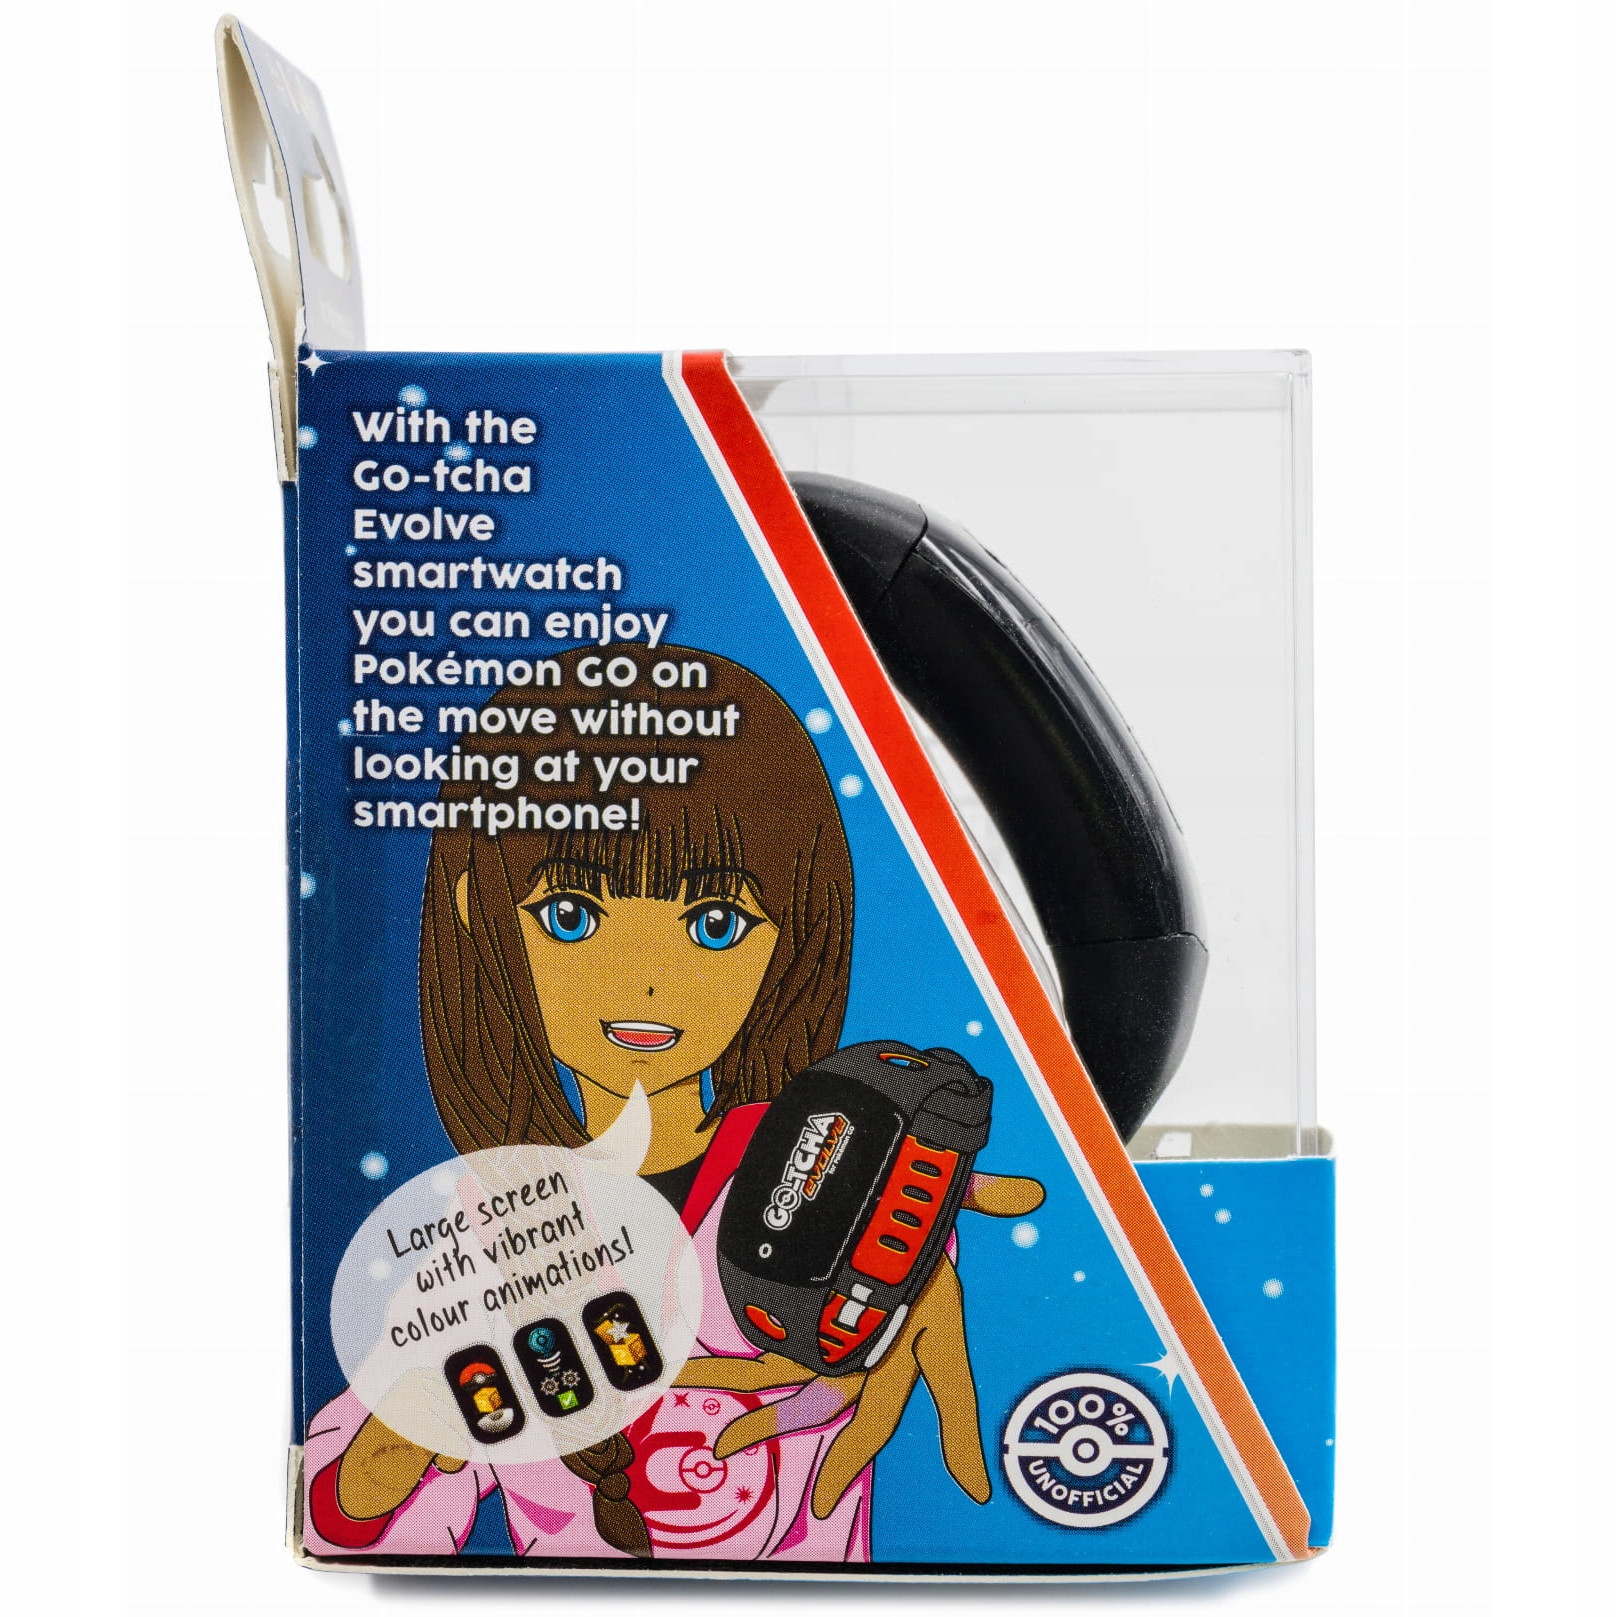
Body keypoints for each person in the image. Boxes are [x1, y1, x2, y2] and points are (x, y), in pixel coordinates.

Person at [302, 647, 1041, 1561]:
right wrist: (396, 1446)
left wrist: (908, 1247)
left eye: (714, 924)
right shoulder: (482, 1232)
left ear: (793, 932)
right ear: (474, 907)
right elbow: (347, 1523)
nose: (648, 981)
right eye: (572, 915)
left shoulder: (837, 1165)